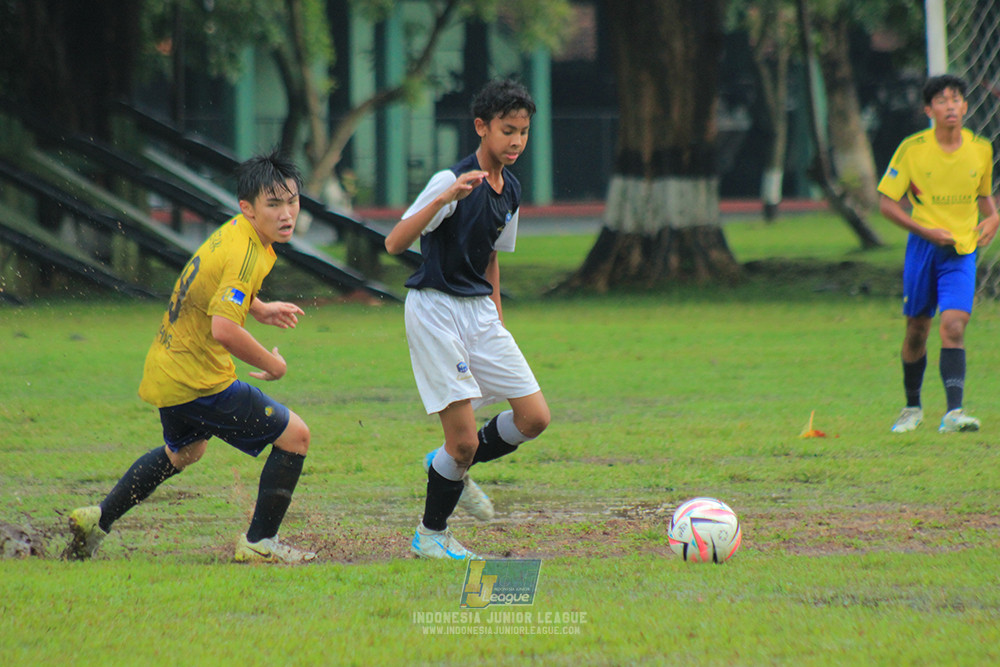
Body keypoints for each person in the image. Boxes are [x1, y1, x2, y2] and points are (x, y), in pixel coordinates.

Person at [64, 151, 316, 563]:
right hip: (198, 381)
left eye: (292, 201)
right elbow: (224, 329)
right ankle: (259, 544)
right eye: (274, 204)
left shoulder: (236, 233)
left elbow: (214, 284)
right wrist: (274, 365)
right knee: (296, 436)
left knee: (185, 453)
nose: (287, 213)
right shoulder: (247, 252)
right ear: (247, 208)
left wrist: (259, 307)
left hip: (168, 367)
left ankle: (98, 519)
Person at [384, 79, 551, 560]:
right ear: (482, 128)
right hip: (435, 310)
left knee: (534, 417)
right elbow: (395, 243)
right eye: (507, 130)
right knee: (462, 445)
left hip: (478, 313)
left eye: (523, 132)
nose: (516, 141)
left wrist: (498, 316)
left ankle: (444, 463)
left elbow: (491, 257)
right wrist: (444, 199)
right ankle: (431, 535)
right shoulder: (450, 180)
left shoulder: (511, 188)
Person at [878, 74, 999, 434]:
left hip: (961, 251)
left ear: (965, 106)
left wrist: (993, 219)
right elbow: (887, 204)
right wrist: (925, 230)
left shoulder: (980, 149)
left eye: (956, 99)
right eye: (942, 100)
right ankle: (912, 407)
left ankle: (954, 413)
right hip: (923, 249)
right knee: (917, 328)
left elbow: (984, 199)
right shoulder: (913, 149)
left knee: (954, 325)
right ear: (929, 110)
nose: (951, 106)